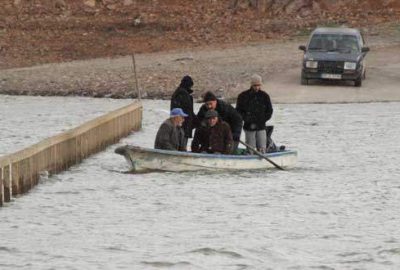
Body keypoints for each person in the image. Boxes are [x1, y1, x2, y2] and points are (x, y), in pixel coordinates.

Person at [236, 74, 273, 153]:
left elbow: (269, 111)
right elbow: (238, 111)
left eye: (258, 85)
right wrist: (247, 119)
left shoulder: (265, 96)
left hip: (261, 126)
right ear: (251, 85)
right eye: (255, 85)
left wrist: (263, 120)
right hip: (249, 126)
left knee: (262, 148)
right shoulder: (243, 96)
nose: (257, 87)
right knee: (250, 149)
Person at [170, 75, 198, 149]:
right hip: (184, 127)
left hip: (180, 125)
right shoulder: (184, 94)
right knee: (181, 147)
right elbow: (188, 112)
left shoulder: (178, 93)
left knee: (178, 146)